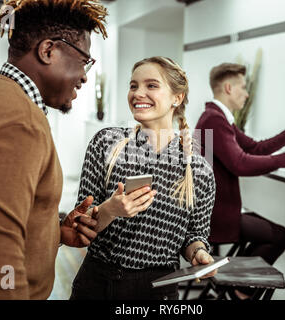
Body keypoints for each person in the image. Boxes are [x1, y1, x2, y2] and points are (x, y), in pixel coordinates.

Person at [0, 0, 108, 299]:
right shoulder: (16, 122)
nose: (85, 75)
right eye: (84, 60)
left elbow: (0, 221)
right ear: (48, 51)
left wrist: (53, 231)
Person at [69, 56, 216, 300]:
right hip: (97, 283)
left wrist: (198, 252)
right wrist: (110, 210)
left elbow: (194, 235)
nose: (138, 93)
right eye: (133, 85)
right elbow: (79, 227)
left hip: (158, 290)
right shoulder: (106, 143)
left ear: (176, 98)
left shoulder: (198, 170)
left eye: (151, 85)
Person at [195, 62, 285, 299]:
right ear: (228, 88)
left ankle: (234, 287)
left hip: (217, 210)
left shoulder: (217, 118)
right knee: (279, 235)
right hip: (214, 215)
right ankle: (239, 289)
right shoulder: (214, 120)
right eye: (243, 87)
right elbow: (240, 163)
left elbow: (255, 148)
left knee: (270, 233)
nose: (247, 94)